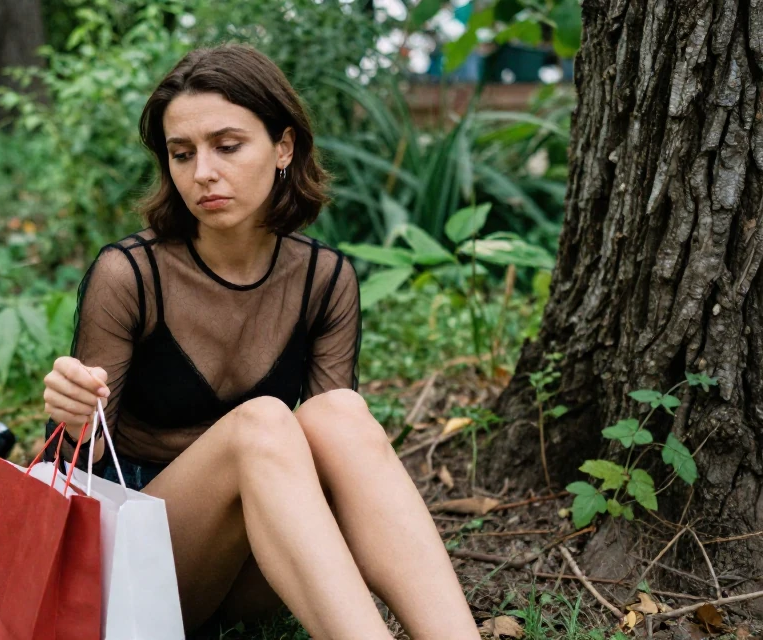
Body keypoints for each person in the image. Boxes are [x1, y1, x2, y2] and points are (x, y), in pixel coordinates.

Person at [42, 44, 480, 640]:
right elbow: (74, 471)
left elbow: (332, 462)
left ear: (283, 147)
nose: (202, 172)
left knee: (341, 414)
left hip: (261, 562)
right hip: (142, 567)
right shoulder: (131, 274)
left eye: (227, 146)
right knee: (263, 422)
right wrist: (73, 418)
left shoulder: (324, 278)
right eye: (182, 153)